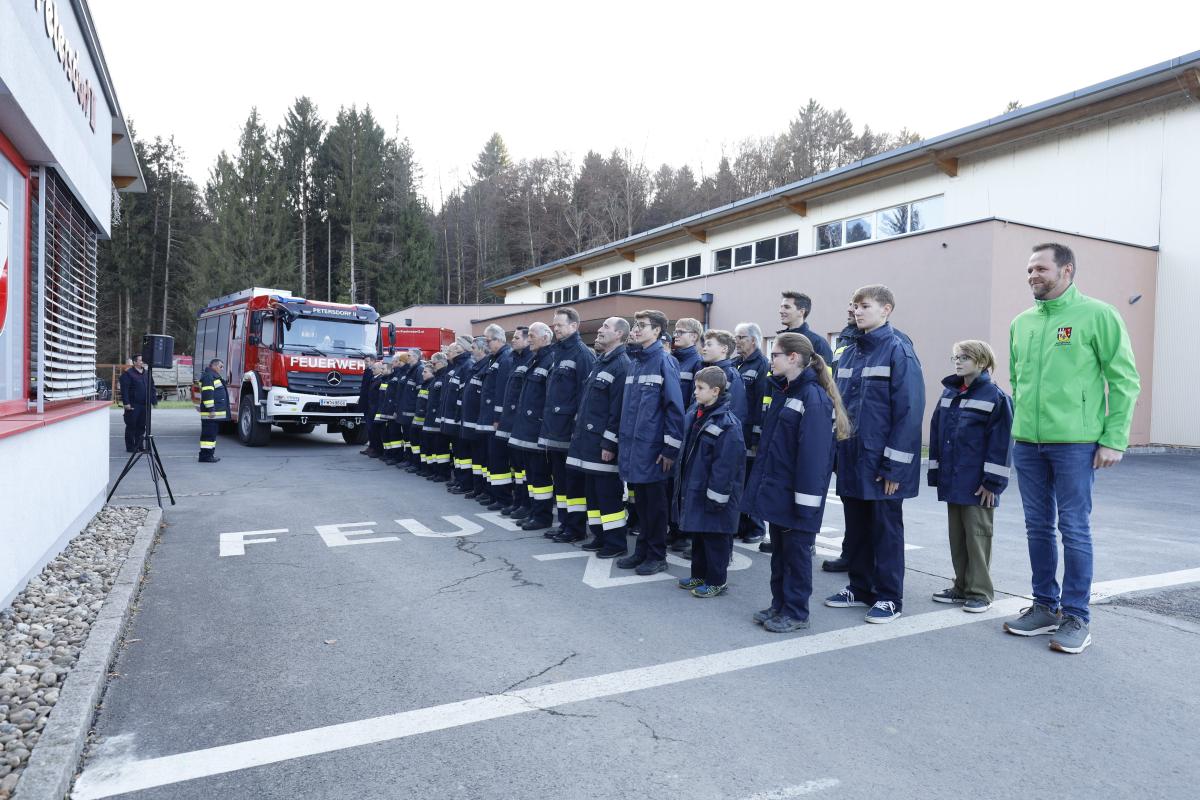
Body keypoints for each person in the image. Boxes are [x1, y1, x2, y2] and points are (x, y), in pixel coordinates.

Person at [1003, 242, 1140, 654]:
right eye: (1029, 270)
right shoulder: (1022, 322)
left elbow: (1124, 380)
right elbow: (1017, 379)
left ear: (1066, 271)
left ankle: (1076, 615)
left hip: (1076, 443)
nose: (1032, 276)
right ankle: (1045, 605)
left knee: (1074, 528)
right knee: (1037, 526)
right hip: (1028, 441)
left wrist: (1114, 438)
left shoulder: (1098, 315)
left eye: (1041, 269)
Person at [824, 284, 925, 624]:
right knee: (858, 527)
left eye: (864, 305)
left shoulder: (898, 350)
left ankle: (888, 597)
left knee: (885, 530)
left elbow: (909, 412)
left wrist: (895, 467)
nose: (856, 311)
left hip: (882, 462)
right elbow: (838, 405)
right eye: (854, 305)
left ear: (886, 310)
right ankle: (860, 586)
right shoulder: (850, 351)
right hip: (852, 456)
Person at [742, 334, 849, 631]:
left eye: (774, 354)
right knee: (780, 554)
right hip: (780, 490)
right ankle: (780, 604)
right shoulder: (786, 391)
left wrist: (805, 502)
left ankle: (797, 612)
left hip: (797, 495)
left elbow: (814, 457)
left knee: (796, 556)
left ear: (793, 358)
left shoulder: (812, 397)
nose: (770, 360)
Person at [928, 340, 1014, 613]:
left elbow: (1001, 443)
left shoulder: (995, 397)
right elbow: (936, 433)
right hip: (954, 478)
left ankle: (980, 592)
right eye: (955, 356)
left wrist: (993, 483)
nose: (958, 361)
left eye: (965, 357)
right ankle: (961, 587)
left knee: (977, 536)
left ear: (982, 362)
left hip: (979, 483)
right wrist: (936, 471)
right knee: (958, 536)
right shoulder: (950, 393)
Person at [617, 310, 685, 575]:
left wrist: (670, 448)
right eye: (635, 325)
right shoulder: (636, 361)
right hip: (636, 448)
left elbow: (674, 408)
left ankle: (657, 555)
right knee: (641, 504)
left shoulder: (664, 361)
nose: (636, 329)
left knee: (655, 507)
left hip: (654, 450)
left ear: (657, 331)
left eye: (642, 326)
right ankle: (642, 551)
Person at [673, 366, 746, 597]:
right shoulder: (697, 413)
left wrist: (717, 496)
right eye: (695, 387)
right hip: (698, 486)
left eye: (700, 388)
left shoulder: (728, 423)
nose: (695, 392)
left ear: (715, 391)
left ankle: (717, 580)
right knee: (700, 533)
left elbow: (725, 466)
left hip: (716, 492)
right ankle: (699, 575)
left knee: (715, 537)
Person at [567, 316, 632, 556]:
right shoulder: (601, 362)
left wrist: (609, 442)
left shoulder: (621, 365)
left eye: (606, 327)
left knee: (608, 496)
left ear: (619, 334)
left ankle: (615, 543)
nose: (599, 330)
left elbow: (618, 410)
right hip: (587, 442)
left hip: (603, 445)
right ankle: (599, 536)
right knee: (593, 494)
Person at [540, 308, 596, 541]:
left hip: (569, 431)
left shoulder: (582, 354)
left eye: (560, 325)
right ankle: (564, 523)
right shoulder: (558, 353)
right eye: (554, 325)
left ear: (574, 326)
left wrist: (576, 427)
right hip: (554, 429)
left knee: (572, 484)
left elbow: (585, 394)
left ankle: (575, 528)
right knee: (560, 482)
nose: (555, 329)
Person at [509, 323, 557, 531]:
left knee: (540, 476)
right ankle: (533, 511)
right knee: (531, 476)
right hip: (526, 429)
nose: (529, 339)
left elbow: (549, 398)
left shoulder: (550, 360)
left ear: (546, 337)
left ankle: (542, 516)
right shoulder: (535, 359)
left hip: (537, 429)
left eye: (532, 335)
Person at [734, 323, 769, 545]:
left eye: (741, 337)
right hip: (735, 431)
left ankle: (756, 526)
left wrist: (756, 436)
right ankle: (740, 524)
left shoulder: (761, 366)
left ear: (753, 341)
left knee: (751, 480)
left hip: (750, 433)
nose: (736, 341)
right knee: (738, 480)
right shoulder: (736, 364)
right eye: (735, 337)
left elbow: (760, 403)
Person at [497, 327, 533, 518]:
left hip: (522, 423)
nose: (513, 340)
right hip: (512, 422)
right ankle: (519, 501)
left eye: (517, 338)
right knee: (517, 468)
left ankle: (526, 504)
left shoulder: (529, 360)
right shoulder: (515, 359)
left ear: (528, 340)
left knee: (526, 469)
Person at [479, 325, 515, 511]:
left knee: (498, 459)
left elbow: (502, 391)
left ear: (499, 339)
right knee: (491, 459)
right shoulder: (495, 358)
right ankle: (494, 494)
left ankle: (503, 498)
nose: (486, 344)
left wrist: (498, 417)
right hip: (489, 418)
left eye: (488, 340)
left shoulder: (505, 358)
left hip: (497, 421)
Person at [440, 338, 473, 491]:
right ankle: (459, 479)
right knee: (458, 453)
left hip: (457, 418)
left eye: (457, 345)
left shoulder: (466, 366)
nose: (449, 352)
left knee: (463, 453)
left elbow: (462, 395)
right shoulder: (456, 366)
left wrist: (458, 416)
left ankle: (465, 483)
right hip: (451, 418)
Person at [461, 337, 492, 500]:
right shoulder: (475, 367)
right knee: (476, 458)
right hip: (471, 421)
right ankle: (478, 487)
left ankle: (485, 490)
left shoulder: (486, 366)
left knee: (483, 458)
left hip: (479, 422)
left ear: (482, 349)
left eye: (473, 347)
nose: (471, 350)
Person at [778, 291, 834, 364]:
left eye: (787, 307)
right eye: (781, 307)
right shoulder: (779, 340)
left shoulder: (818, 342)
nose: (781, 311)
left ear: (801, 312)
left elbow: (825, 373)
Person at [422, 353, 452, 482]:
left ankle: (443, 473)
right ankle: (436, 471)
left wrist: (439, 416)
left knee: (441, 448)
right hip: (431, 417)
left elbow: (443, 400)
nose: (432, 365)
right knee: (433, 447)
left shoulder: (444, 376)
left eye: (433, 363)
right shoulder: (437, 377)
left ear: (441, 362)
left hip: (438, 418)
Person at [119, 354, 155, 453]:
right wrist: (126, 403)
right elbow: (124, 390)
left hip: (144, 405)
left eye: (143, 360)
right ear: (135, 362)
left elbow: (152, 387)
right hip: (133, 405)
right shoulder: (128, 374)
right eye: (140, 360)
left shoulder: (147, 373)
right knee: (131, 426)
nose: (142, 362)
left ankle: (139, 446)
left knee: (141, 426)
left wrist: (153, 400)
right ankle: (130, 447)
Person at [198, 359, 230, 463]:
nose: (222, 369)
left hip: (213, 415)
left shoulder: (213, 376)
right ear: (214, 366)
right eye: (221, 366)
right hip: (210, 415)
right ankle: (205, 457)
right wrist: (211, 409)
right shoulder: (209, 376)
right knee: (208, 436)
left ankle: (209, 455)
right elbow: (208, 394)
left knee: (211, 436)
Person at [413, 361, 434, 476]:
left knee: (428, 447)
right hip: (419, 421)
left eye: (425, 372)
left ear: (432, 373)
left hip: (426, 422)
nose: (422, 374)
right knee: (422, 445)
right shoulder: (424, 384)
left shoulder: (431, 385)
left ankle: (428, 469)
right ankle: (423, 467)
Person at [356, 354, 378, 455]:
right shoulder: (367, 372)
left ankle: (373, 447)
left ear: (373, 361)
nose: (365, 363)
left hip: (371, 405)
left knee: (371, 427)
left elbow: (370, 391)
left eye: (367, 361)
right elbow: (364, 389)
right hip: (366, 404)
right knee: (369, 427)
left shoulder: (372, 373)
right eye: (365, 362)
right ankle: (371, 446)